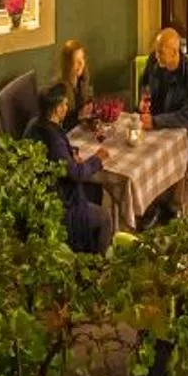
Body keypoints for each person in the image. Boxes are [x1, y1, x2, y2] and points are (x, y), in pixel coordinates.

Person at [31, 83, 113, 255]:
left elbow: (57, 156)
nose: (67, 108)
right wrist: (96, 159)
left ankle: (87, 249)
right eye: (66, 105)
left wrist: (71, 153)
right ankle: (98, 264)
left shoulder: (36, 127)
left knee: (95, 188)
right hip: (57, 204)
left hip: (41, 195)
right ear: (58, 108)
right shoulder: (55, 141)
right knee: (105, 217)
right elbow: (76, 174)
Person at [141, 25, 188, 140]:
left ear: (174, 53)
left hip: (183, 131)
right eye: (156, 50)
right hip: (154, 124)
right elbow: (145, 83)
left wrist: (155, 122)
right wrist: (144, 99)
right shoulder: (153, 60)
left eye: (161, 52)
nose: (156, 55)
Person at [53, 38, 95, 124]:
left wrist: (90, 105)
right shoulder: (60, 87)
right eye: (76, 61)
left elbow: (87, 100)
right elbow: (61, 122)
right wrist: (78, 115)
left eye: (82, 58)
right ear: (68, 64)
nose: (81, 63)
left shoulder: (83, 78)